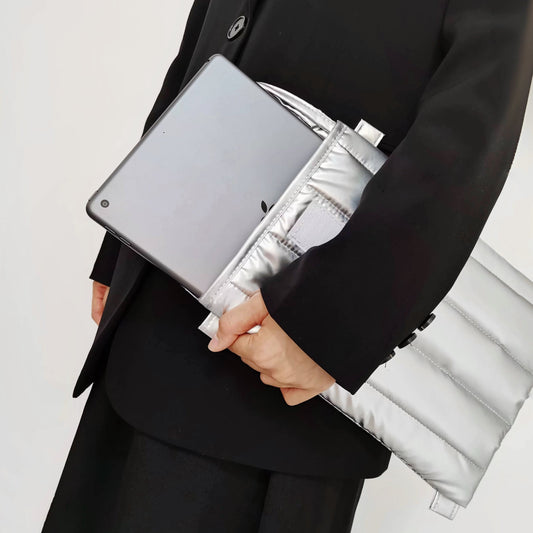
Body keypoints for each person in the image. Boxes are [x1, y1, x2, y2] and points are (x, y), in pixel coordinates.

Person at [42, 0, 533, 531]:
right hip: (153, 315)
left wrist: (323, 327)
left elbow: (464, 148)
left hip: (277, 371)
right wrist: (127, 231)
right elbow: (206, 44)